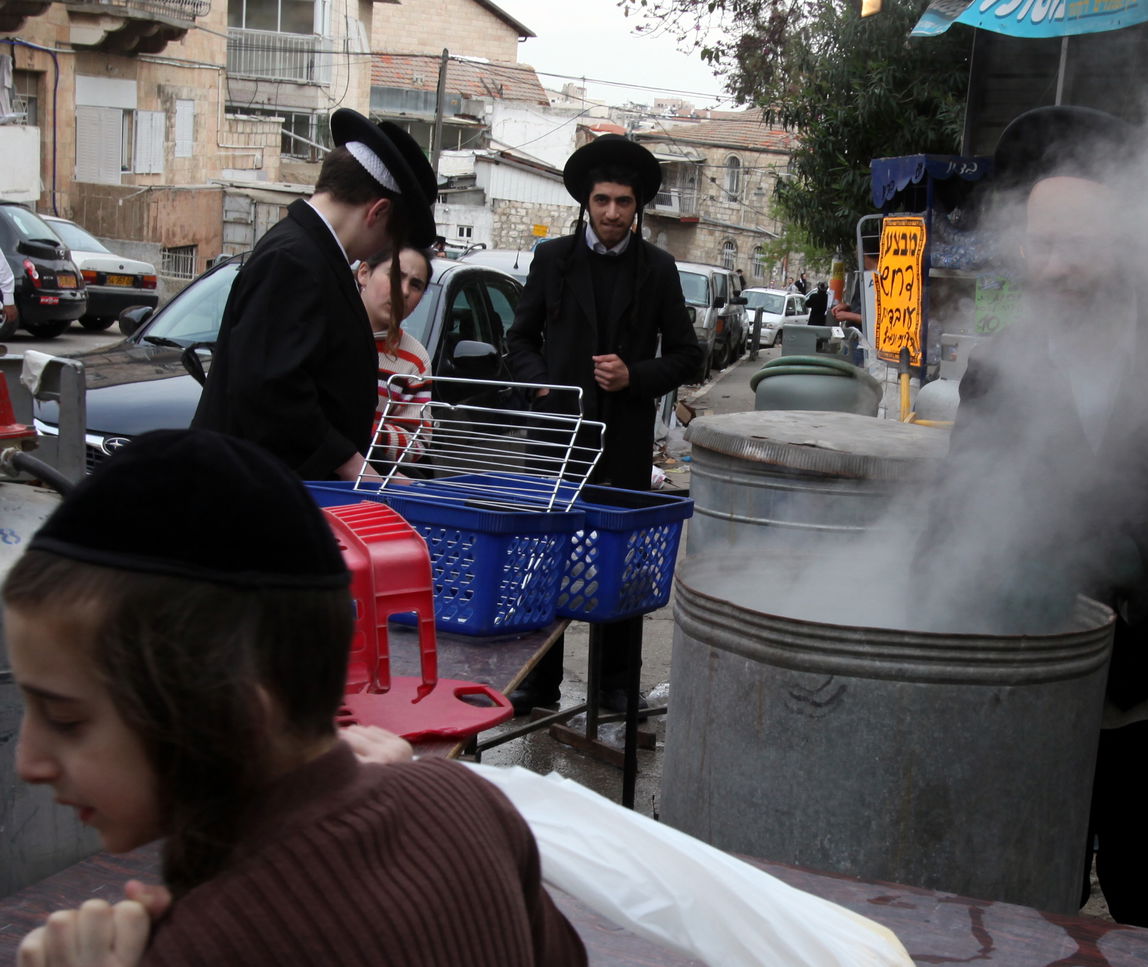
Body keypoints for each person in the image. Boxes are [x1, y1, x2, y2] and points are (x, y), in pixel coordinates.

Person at [6, 429, 587, 967]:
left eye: (67, 718)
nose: (26, 762)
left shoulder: (196, 948)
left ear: (230, 712)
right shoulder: (465, 801)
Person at [948, 106, 1148, 937]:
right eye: (1042, 243)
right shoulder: (998, 372)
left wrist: (1133, 566)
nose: (1056, 266)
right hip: (1038, 706)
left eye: (1079, 242)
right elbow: (957, 524)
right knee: (1017, 916)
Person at [504, 134, 700, 716]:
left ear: (637, 206)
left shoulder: (659, 269)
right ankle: (537, 681)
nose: (612, 213)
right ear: (585, 203)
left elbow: (689, 357)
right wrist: (542, 383)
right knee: (547, 558)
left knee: (622, 565)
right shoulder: (552, 260)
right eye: (601, 201)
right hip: (557, 442)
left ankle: (615, 687)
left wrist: (633, 377)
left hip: (624, 446)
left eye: (622, 202)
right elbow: (518, 339)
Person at [193, 108, 437, 481]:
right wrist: (355, 467)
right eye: (391, 237)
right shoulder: (294, 259)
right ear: (378, 211)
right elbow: (272, 390)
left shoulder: (311, 253)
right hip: (252, 492)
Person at [359, 245, 433, 468]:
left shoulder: (415, 358)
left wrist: (363, 431)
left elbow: (417, 441)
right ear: (364, 273)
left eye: (416, 285)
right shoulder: (321, 331)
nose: (404, 291)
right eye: (395, 276)